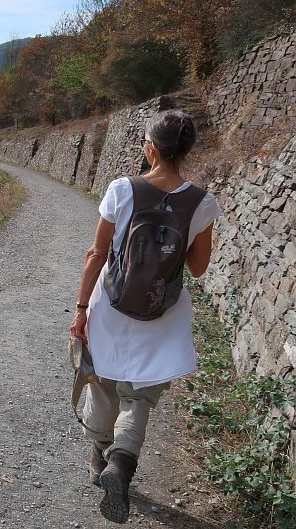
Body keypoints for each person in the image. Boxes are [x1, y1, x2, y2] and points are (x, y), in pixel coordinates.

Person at [69, 110, 221, 523]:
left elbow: (97, 254)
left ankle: (99, 457)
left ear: (150, 149)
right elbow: (198, 268)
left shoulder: (123, 189)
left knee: (103, 383)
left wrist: (80, 310)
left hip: (111, 304)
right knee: (141, 392)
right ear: (186, 151)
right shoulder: (202, 202)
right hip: (162, 311)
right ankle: (122, 461)